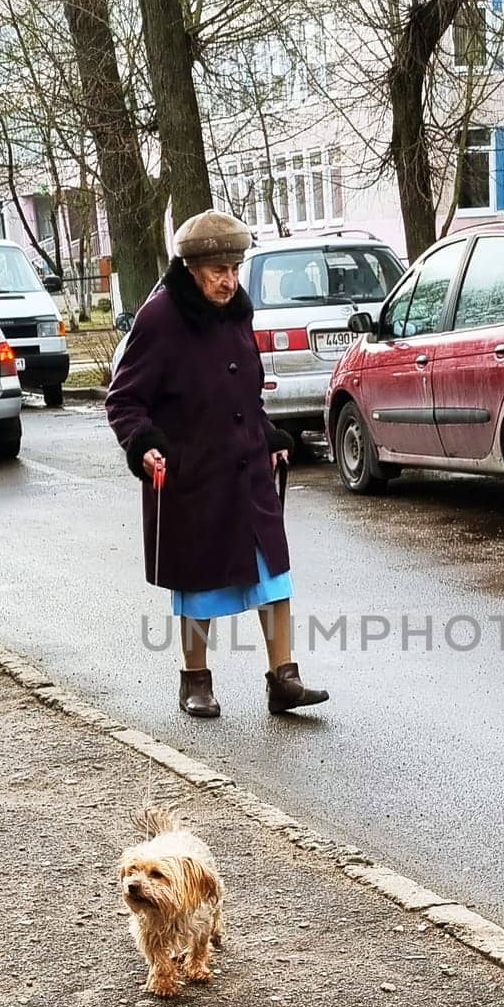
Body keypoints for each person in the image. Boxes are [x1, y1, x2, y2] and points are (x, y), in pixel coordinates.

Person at [106, 210, 329, 721]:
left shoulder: (237, 311)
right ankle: (195, 682)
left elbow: (243, 387)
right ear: (191, 269)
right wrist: (144, 443)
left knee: (274, 578)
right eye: (217, 272)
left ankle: (284, 679)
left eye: (234, 269)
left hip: (247, 468)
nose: (229, 282)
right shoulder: (160, 317)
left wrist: (268, 433)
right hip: (193, 472)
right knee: (198, 586)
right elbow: (124, 399)